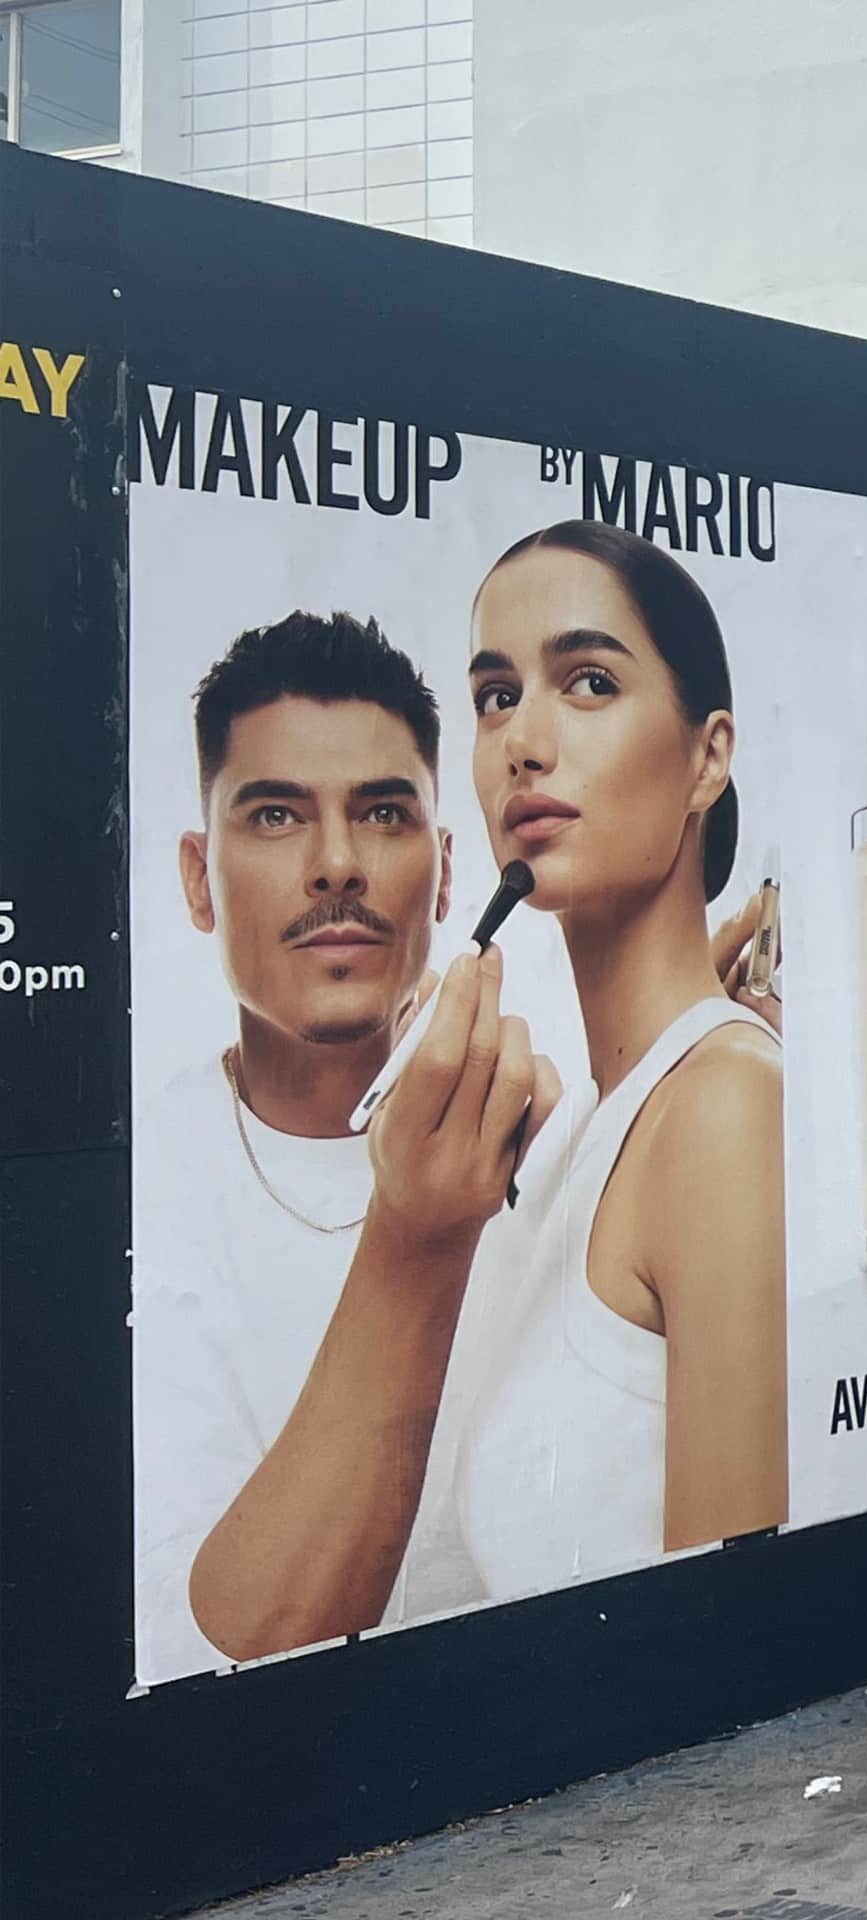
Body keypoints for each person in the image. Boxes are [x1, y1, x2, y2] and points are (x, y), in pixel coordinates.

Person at [135, 613, 561, 1677]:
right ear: (197, 877)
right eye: (275, 816)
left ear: (448, 871)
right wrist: (420, 1236)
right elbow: (209, 1655)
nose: (336, 866)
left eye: (381, 813)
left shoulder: (557, 1126)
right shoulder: (139, 1188)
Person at [454, 519, 786, 1598]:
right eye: (496, 695)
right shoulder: (571, 1143)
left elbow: (735, 1626)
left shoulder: (725, 1109)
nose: (522, 741)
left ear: (708, 756)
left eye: (587, 681)